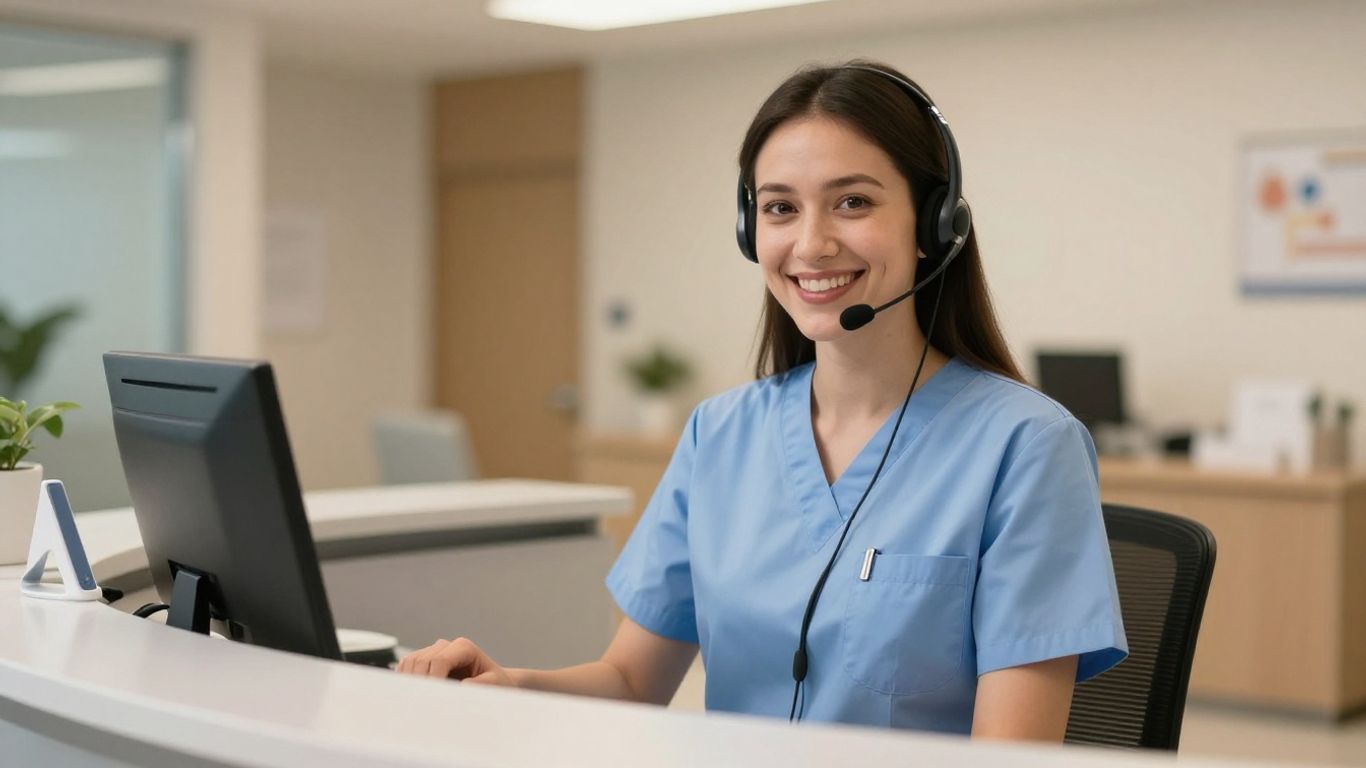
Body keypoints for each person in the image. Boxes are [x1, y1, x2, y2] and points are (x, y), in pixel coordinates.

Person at [398, 60, 1127, 742]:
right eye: (780, 208)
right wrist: (506, 685)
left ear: (936, 225)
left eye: (852, 202)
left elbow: (1008, 755)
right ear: (753, 230)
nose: (811, 243)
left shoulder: (1026, 446)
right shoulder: (720, 435)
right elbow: (628, 682)